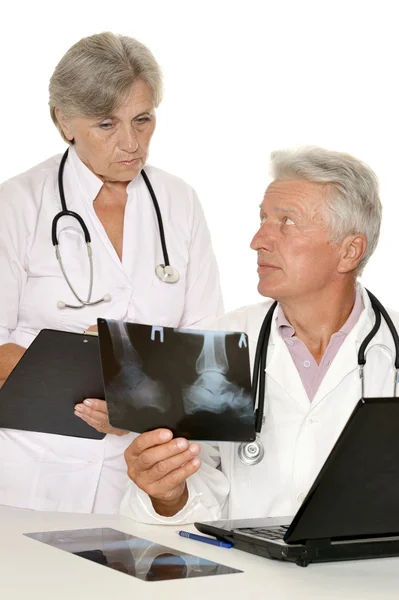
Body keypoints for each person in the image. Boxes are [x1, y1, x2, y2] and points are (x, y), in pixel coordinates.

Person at [0, 32, 223, 513]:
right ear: (63, 120)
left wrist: (135, 405)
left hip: (139, 473)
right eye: (106, 124)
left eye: (142, 120)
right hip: (30, 471)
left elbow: (205, 345)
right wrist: (98, 387)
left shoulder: (179, 202)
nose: (131, 143)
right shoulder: (17, 204)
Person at [120, 146, 399, 524]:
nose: (258, 240)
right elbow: (196, 491)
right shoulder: (219, 341)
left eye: (286, 222)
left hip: (372, 576)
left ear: (349, 251)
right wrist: (169, 493)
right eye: (263, 218)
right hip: (251, 576)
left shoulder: (391, 345)